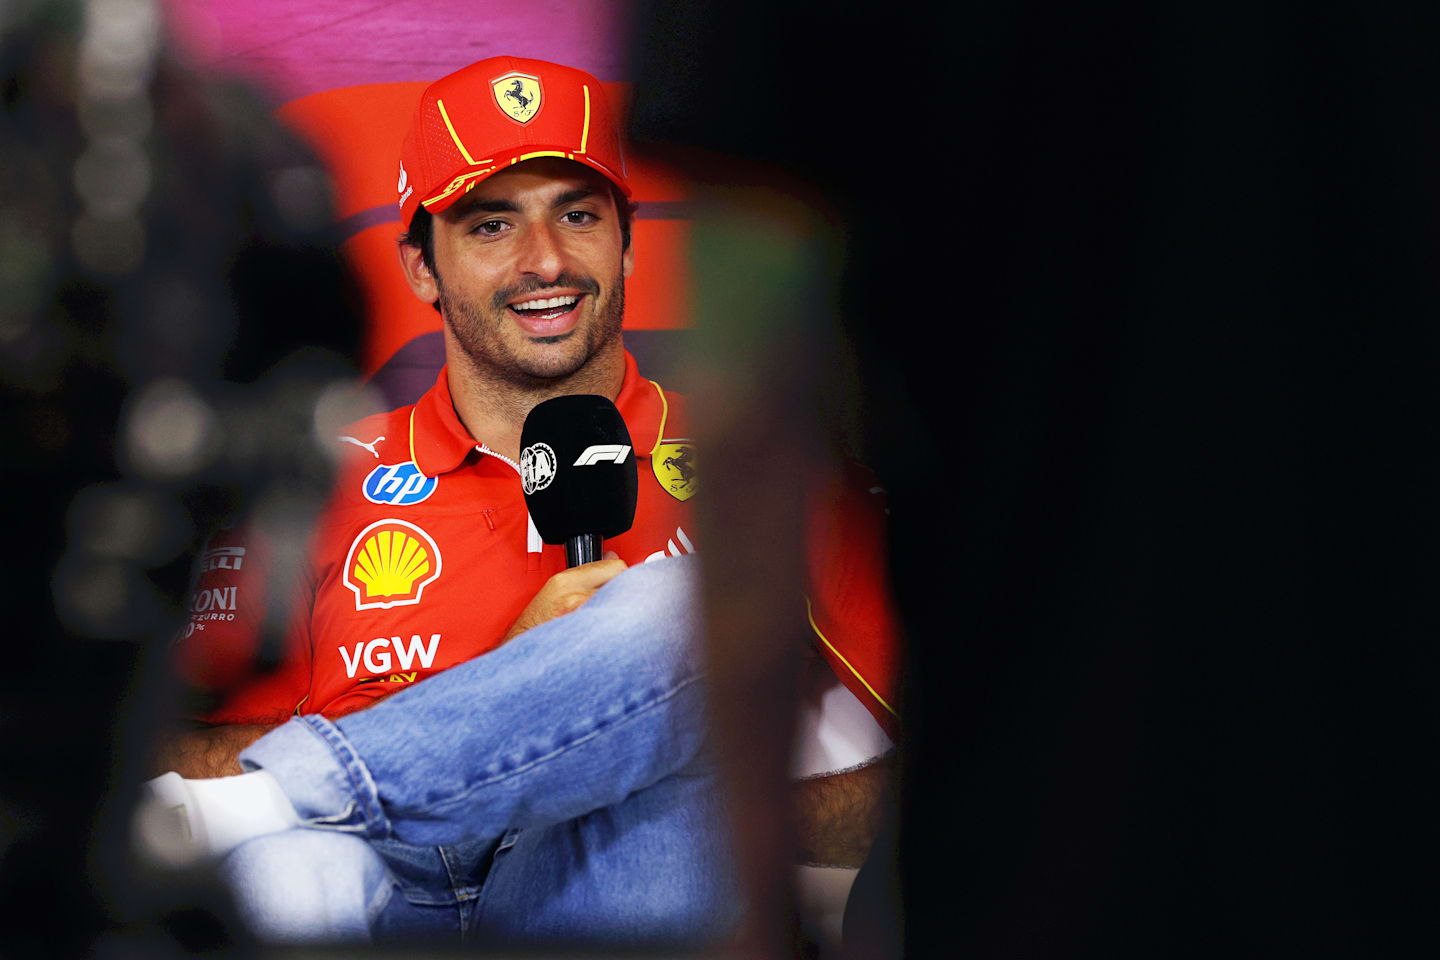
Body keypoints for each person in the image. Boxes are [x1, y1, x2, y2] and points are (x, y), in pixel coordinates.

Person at [146, 56, 900, 947]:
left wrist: (637, 765)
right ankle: (318, 798)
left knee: (675, 609)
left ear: (627, 240)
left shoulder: (765, 469)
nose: (545, 261)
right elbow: (165, 763)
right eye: (491, 224)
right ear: (421, 268)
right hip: (386, 898)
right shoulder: (318, 476)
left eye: (578, 214)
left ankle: (308, 790)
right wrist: (499, 695)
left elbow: (938, 775)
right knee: (285, 864)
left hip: (616, 891)